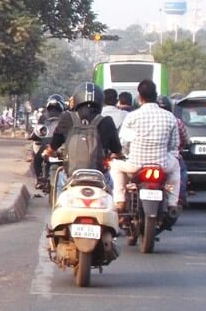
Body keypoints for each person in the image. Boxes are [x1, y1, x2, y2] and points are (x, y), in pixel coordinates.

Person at [115, 80, 181, 215]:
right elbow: (174, 144)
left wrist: (124, 153)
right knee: (176, 167)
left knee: (115, 166)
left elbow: (124, 143)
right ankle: (172, 202)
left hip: (135, 165)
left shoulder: (132, 117)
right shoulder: (169, 117)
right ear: (155, 95)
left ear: (140, 98)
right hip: (161, 164)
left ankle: (120, 200)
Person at [46, 85, 122, 188]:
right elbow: (117, 150)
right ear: (100, 101)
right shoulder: (106, 121)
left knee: (60, 185)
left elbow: (54, 144)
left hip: (71, 176)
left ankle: (58, 203)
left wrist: (48, 152)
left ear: (77, 99)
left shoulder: (67, 118)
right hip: (99, 177)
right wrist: (116, 155)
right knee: (111, 185)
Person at [28, 94, 67, 191]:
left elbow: (37, 132)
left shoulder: (43, 117)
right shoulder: (66, 116)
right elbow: (38, 130)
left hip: (47, 144)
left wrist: (33, 136)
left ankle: (40, 179)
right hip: (61, 145)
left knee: (37, 159)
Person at [158, 95, 190, 206]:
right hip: (168, 159)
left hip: (141, 160)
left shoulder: (140, 118)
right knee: (182, 172)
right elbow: (183, 140)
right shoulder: (175, 120)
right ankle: (178, 198)